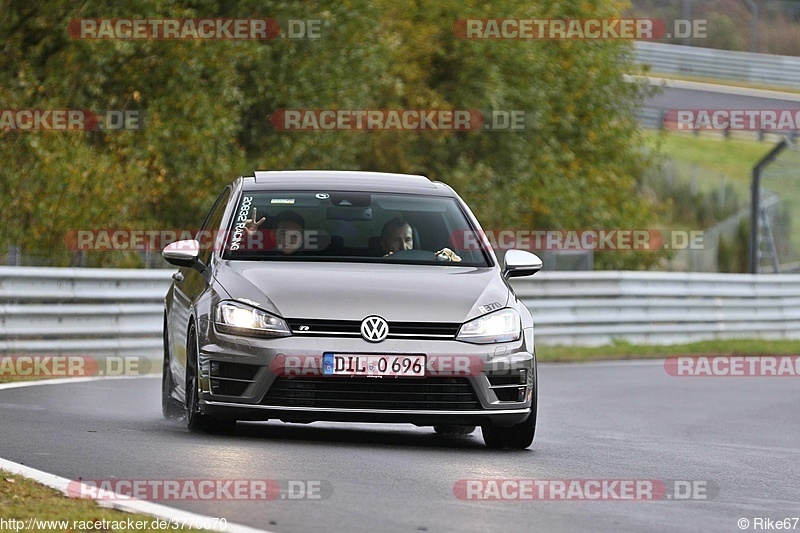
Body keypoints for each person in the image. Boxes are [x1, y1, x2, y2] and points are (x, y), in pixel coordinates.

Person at [379, 217, 461, 262]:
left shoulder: (432, 262)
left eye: (408, 240)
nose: (403, 247)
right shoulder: (373, 268)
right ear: (383, 244)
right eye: (396, 240)